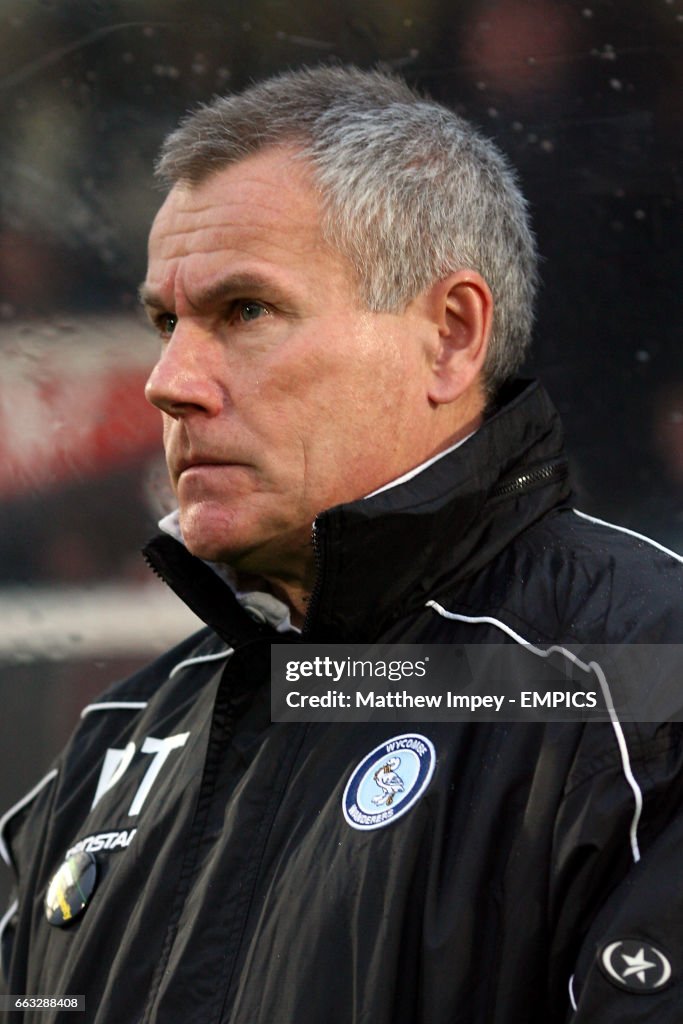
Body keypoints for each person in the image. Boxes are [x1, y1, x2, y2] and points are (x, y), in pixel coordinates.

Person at [1, 65, 682, 1024]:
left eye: (245, 311)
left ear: (449, 335)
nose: (168, 380)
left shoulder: (645, 685)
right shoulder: (115, 745)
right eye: (166, 321)